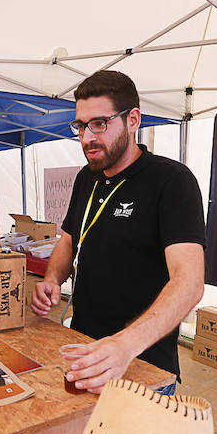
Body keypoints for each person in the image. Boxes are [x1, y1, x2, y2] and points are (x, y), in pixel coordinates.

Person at [30, 71, 205, 395]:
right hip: (85, 353)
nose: (86, 138)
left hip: (144, 367)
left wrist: (125, 344)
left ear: (133, 120)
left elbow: (190, 282)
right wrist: (52, 279)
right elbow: (69, 238)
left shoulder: (171, 181)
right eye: (81, 126)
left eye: (99, 124)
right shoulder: (86, 178)